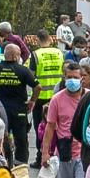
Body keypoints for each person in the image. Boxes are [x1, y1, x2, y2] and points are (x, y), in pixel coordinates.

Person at [0, 43, 40, 165]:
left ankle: (2, 161)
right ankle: (21, 163)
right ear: (16, 56)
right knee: (21, 139)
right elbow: (38, 86)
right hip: (19, 110)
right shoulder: (23, 70)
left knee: (0, 137)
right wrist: (32, 101)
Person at [41, 62, 86, 178]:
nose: (72, 80)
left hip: (84, 152)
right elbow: (50, 127)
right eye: (69, 77)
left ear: (82, 79)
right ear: (64, 78)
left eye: (75, 77)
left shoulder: (89, 97)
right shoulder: (57, 99)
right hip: (65, 152)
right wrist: (45, 153)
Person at [30, 30, 66, 168]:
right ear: (50, 39)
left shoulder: (36, 54)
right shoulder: (59, 53)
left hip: (41, 98)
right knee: (58, 127)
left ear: (38, 40)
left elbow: (31, 76)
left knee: (41, 128)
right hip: (57, 96)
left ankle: (40, 157)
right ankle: (56, 154)